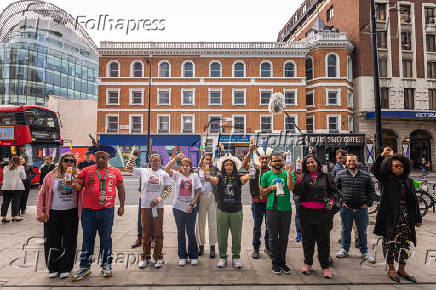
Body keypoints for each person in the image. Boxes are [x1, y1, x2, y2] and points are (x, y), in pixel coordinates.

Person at [71, 145, 125, 281]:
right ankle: (85, 266)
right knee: (87, 238)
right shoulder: (86, 170)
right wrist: (73, 184)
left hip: (107, 210)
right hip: (88, 211)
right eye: (98, 157)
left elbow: (121, 189)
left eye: (103, 157)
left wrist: (122, 205)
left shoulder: (116, 172)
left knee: (106, 238)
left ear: (108, 158)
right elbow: (79, 186)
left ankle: (106, 264)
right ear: (94, 158)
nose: (100, 160)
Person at [372, 147, 422, 283]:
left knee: (405, 243)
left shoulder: (409, 182)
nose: (399, 168)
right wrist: (382, 155)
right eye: (396, 166)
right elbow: (375, 170)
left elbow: (414, 201)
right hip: (389, 217)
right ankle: (391, 269)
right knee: (390, 243)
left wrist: (418, 217)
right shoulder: (386, 179)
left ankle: (402, 268)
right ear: (390, 167)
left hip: (406, 217)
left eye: (401, 166)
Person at [36, 153, 80, 279]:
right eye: (66, 160)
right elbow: (42, 194)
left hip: (71, 213)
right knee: (51, 241)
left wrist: (74, 183)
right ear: (61, 162)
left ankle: (66, 267)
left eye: (72, 161)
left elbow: (83, 190)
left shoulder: (78, 175)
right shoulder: (51, 176)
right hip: (53, 213)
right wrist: (41, 212)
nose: (69, 163)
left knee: (69, 241)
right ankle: (53, 267)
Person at [294, 155, 338, 279]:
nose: (310, 164)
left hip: (323, 214)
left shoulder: (326, 176)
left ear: (317, 163)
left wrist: (332, 202)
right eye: (307, 163)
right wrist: (298, 180)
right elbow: (297, 192)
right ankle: (308, 263)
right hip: (306, 213)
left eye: (312, 162)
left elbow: (334, 193)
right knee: (307, 240)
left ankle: (325, 267)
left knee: (323, 240)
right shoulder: (303, 176)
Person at [126, 150, 172, 269]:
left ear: (161, 162)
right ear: (150, 162)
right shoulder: (143, 171)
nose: (156, 162)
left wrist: (159, 199)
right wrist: (134, 156)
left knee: (158, 232)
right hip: (145, 206)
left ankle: (158, 257)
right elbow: (129, 168)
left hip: (158, 207)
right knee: (145, 233)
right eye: (153, 161)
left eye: (158, 161)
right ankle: (145, 258)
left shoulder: (164, 174)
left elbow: (168, 189)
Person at [209, 154, 250, 269]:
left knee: (237, 235)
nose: (228, 166)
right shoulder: (219, 176)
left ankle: (236, 257)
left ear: (234, 166)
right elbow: (212, 180)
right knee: (222, 235)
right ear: (223, 166)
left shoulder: (238, 176)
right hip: (222, 211)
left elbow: (245, 178)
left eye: (230, 165)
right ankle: (222, 257)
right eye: (226, 164)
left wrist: (250, 174)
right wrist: (206, 174)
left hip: (236, 211)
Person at [335, 154, 376, 263]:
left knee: (362, 231)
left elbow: (371, 191)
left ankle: (364, 252)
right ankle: (344, 249)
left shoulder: (366, 176)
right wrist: (341, 202)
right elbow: (335, 191)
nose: (351, 162)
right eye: (349, 161)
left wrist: (368, 203)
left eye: (353, 160)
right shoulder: (340, 174)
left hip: (361, 208)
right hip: (346, 208)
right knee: (345, 230)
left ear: (357, 162)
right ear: (346, 162)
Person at [260, 152, 295, 275]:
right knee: (273, 238)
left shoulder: (287, 173)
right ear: (270, 162)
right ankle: (275, 263)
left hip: (286, 209)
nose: (277, 163)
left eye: (279, 160)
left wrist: (289, 173)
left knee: (284, 238)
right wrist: (271, 188)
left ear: (283, 161)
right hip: (271, 209)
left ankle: (282, 262)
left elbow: (291, 188)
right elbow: (262, 193)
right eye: (275, 161)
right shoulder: (266, 175)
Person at [165, 153, 202, 266]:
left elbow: (198, 192)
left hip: (191, 209)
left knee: (190, 232)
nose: (185, 167)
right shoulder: (176, 175)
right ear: (180, 167)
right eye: (183, 165)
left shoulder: (194, 176)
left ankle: (193, 255)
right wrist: (175, 158)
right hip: (178, 208)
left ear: (190, 167)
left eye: (187, 165)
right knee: (180, 232)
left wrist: (191, 205)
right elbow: (166, 168)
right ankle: (182, 255)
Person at [241, 143, 273, 259]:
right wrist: (249, 152)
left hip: (269, 202)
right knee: (257, 226)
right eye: (262, 158)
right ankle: (255, 248)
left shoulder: (271, 170)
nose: (264, 160)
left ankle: (268, 247)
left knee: (269, 226)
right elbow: (243, 165)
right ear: (259, 159)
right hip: (257, 202)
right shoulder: (254, 169)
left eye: (266, 158)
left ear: (269, 160)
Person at [131, 150, 160, 249]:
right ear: (149, 158)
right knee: (141, 220)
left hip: (156, 200)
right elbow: (130, 169)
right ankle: (140, 238)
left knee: (154, 219)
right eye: (152, 157)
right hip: (143, 198)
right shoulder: (143, 167)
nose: (154, 160)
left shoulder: (160, 168)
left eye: (156, 158)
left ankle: (153, 239)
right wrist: (134, 156)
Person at [195, 153, 218, 258]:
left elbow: (220, 180)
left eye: (210, 160)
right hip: (200, 198)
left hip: (212, 197)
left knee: (213, 223)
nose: (208, 161)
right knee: (200, 223)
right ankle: (201, 245)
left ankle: (212, 246)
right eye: (206, 159)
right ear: (202, 159)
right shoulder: (196, 171)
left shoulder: (214, 170)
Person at [1, 156, 26, 223]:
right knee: (15, 202)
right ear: (18, 161)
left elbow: (4, 178)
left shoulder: (5, 167)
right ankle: (15, 217)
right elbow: (24, 177)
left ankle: (3, 217)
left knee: (5, 202)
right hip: (17, 187)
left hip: (6, 187)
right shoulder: (20, 168)